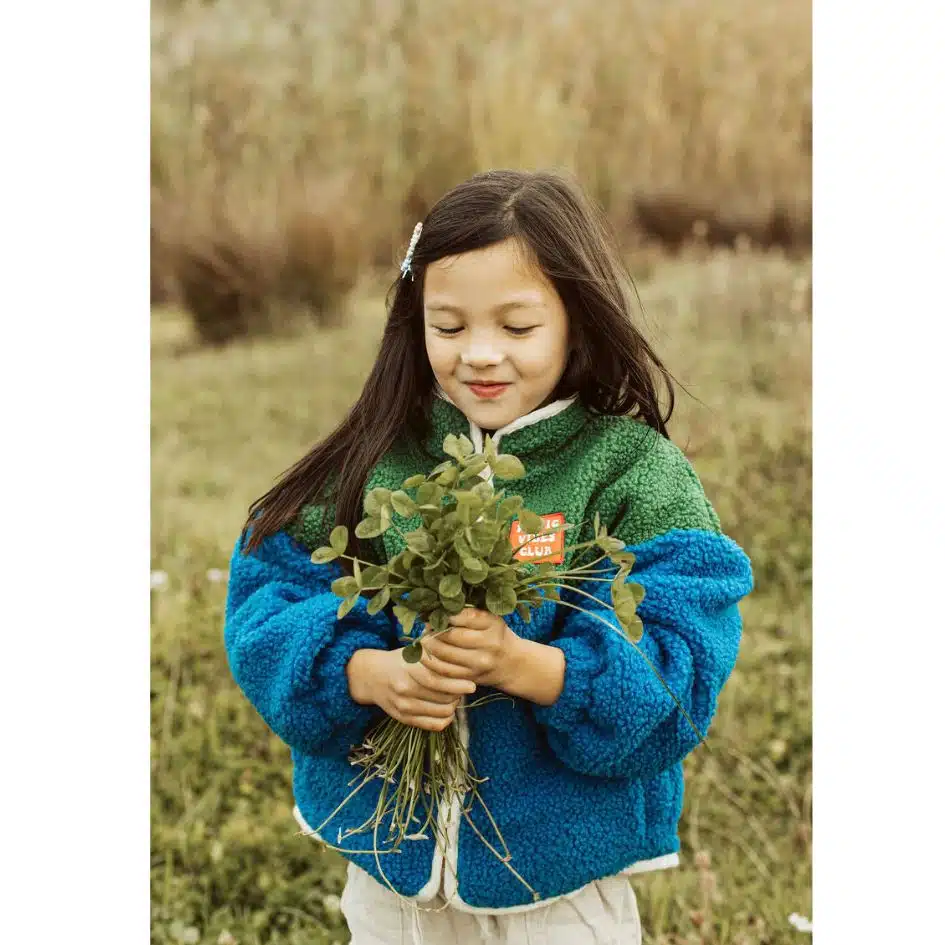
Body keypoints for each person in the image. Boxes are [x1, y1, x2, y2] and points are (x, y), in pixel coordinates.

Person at [224, 169, 753, 945]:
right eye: (448, 326)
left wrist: (525, 665)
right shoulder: (376, 454)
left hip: (559, 880)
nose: (479, 355)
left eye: (516, 327)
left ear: (578, 317)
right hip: (389, 865)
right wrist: (370, 675)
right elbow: (264, 604)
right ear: (414, 320)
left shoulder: (632, 470)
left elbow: (681, 668)